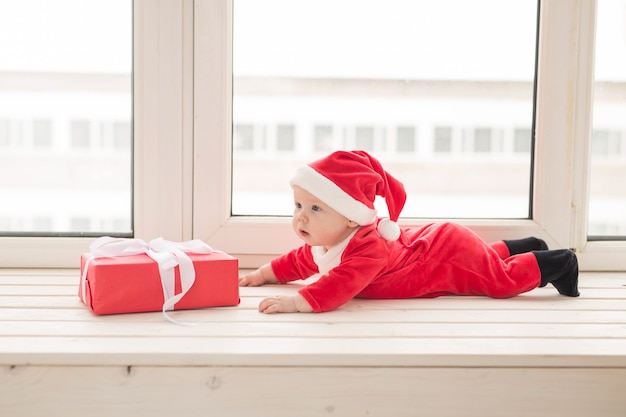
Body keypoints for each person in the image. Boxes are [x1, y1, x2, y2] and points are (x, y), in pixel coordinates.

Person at [239, 150, 580, 314]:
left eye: (315, 209)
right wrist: (265, 274)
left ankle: (558, 263)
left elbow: (340, 285)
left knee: (500, 282)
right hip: (437, 244)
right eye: (298, 206)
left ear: (351, 219)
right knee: (483, 264)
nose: (302, 218)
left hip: (445, 254)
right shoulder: (330, 240)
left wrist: (297, 303)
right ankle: (531, 245)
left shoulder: (367, 249)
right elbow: (302, 261)